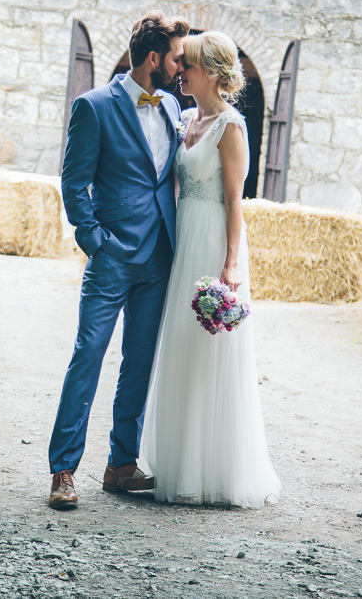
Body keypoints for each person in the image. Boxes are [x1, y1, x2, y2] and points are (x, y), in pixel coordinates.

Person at [48, 12, 189, 509]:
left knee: (139, 363)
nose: (181, 65)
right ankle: (63, 469)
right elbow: (73, 180)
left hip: (159, 258)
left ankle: (120, 465)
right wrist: (94, 239)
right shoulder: (94, 106)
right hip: (111, 256)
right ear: (154, 58)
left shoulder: (173, 105)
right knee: (88, 355)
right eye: (176, 57)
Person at [141, 31, 281, 506]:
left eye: (191, 65)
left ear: (215, 74)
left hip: (214, 242)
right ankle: (179, 462)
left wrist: (230, 265)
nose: (181, 70)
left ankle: (212, 471)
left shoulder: (231, 127)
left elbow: (235, 201)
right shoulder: (185, 120)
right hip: (184, 242)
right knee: (181, 345)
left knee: (210, 354)